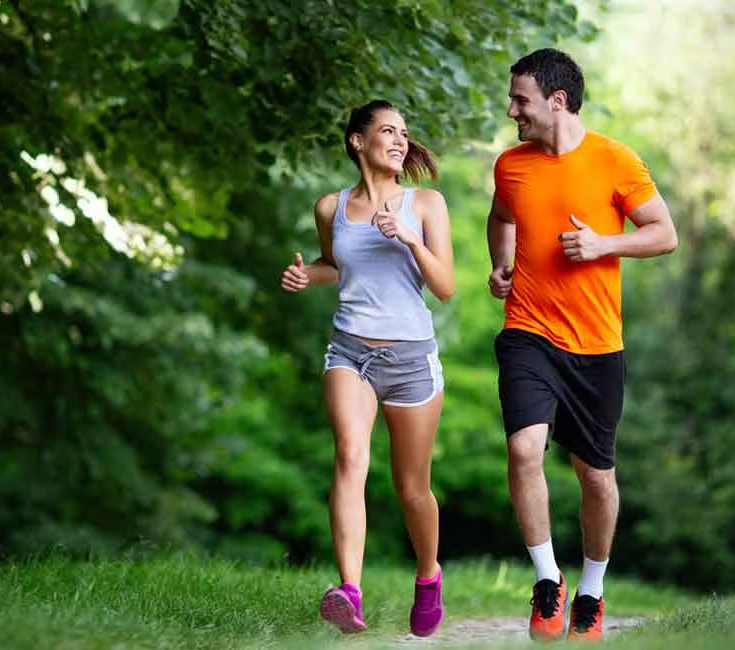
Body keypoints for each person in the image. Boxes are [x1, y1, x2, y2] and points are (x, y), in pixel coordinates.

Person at [486, 48, 678, 642]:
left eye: (520, 100)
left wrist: (603, 245)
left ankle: (591, 590)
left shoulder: (615, 160)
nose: (512, 110)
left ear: (558, 100)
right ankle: (548, 581)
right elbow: (501, 217)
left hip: (596, 345)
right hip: (528, 332)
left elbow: (664, 234)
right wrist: (502, 263)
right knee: (524, 450)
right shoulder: (510, 166)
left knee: (595, 477)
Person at [281, 99, 455, 637]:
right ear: (358, 141)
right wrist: (308, 275)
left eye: (404, 132)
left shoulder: (425, 203)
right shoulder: (330, 207)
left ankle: (428, 576)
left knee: (412, 490)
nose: (400, 140)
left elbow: (446, 287)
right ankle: (349, 591)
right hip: (350, 350)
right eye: (387, 130)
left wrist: (408, 238)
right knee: (350, 456)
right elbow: (336, 265)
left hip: (411, 359)